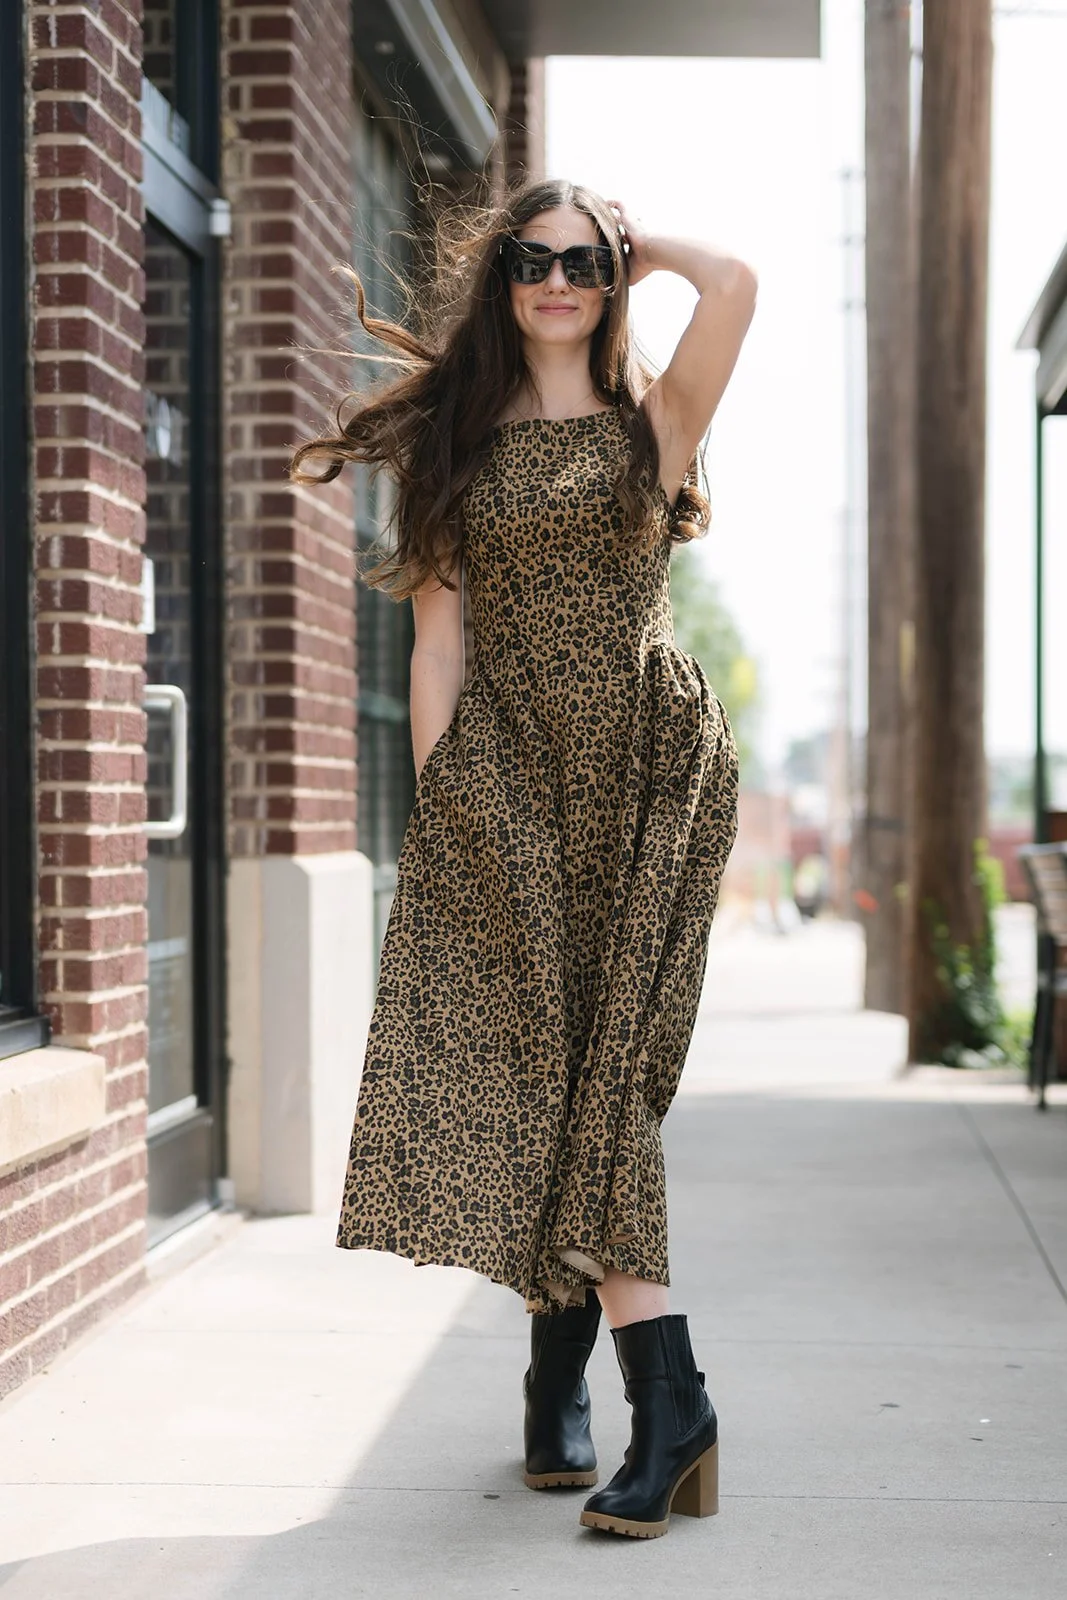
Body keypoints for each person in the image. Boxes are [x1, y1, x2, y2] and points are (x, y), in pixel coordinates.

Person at [289, 177, 756, 1540]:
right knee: (545, 1077)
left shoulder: (654, 419)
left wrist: (633, 234)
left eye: (583, 262)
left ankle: (648, 1406)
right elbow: (436, 647)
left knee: (610, 1083)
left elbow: (731, 282)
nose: (558, 279)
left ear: (608, 279)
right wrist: (446, 814)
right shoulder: (449, 437)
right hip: (509, 778)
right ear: (499, 280)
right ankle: (598, 1387)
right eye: (532, 260)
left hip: (650, 770)